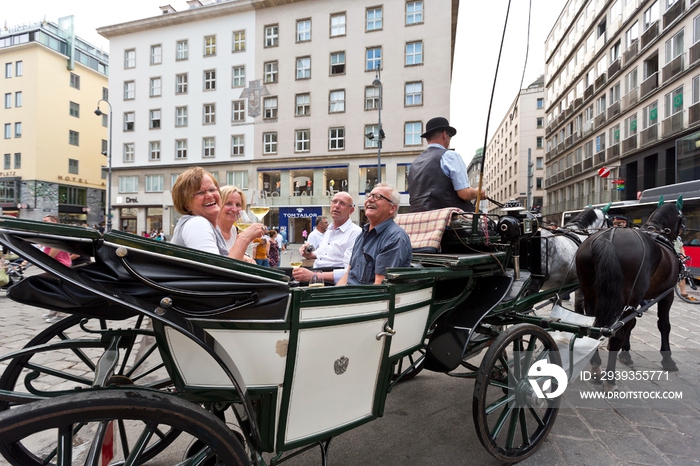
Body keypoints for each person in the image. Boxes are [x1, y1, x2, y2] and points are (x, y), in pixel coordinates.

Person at [171, 167, 264, 258]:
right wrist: (245, 237)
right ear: (186, 204)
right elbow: (217, 269)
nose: (209, 195)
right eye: (200, 193)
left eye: (212, 190)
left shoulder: (210, 227)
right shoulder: (197, 223)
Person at [338, 184, 412, 285]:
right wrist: (335, 293)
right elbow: (348, 273)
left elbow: (379, 287)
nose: (370, 200)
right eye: (369, 196)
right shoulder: (362, 233)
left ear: (392, 208)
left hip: (365, 298)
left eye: (378, 197)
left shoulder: (395, 238)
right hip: (346, 294)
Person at [408, 117, 485, 213]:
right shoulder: (450, 156)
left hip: (419, 218)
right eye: (450, 136)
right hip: (445, 219)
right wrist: (478, 192)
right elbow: (464, 194)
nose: (449, 140)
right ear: (444, 134)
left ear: (428, 139)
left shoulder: (414, 163)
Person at [293, 192, 362, 285]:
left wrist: (314, 275)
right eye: (334, 202)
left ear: (351, 210)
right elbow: (321, 252)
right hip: (316, 275)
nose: (336, 206)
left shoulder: (355, 232)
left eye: (342, 203)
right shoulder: (329, 230)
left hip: (329, 283)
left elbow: (350, 272)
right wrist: (309, 254)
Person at [40, 215, 72, 323]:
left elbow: (56, 247)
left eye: (45, 221)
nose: (43, 222)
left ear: (54, 221)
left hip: (58, 264)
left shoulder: (56, 232)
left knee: (57, 289)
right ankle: (53, 312)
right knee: (52, 288)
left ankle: (61, 314)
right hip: (56, 264)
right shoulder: (54, 232)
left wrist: (48, 260)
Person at [216, 185, 259, 263]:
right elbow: (222, 265)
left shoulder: (233, 230)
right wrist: (245, 238)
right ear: (218, 205)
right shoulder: (212, 230)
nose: (234, 209)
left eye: (238, 205)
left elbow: (231, 254)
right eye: (228, 203)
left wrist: (244, 257)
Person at [675, 232, 696, 301]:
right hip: (671, 257)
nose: (680, 232)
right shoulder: (668, 236)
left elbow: (681, 248)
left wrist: (683, 255)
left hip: (678, 258)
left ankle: (683, 292)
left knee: (682, 274)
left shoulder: (678, 238)